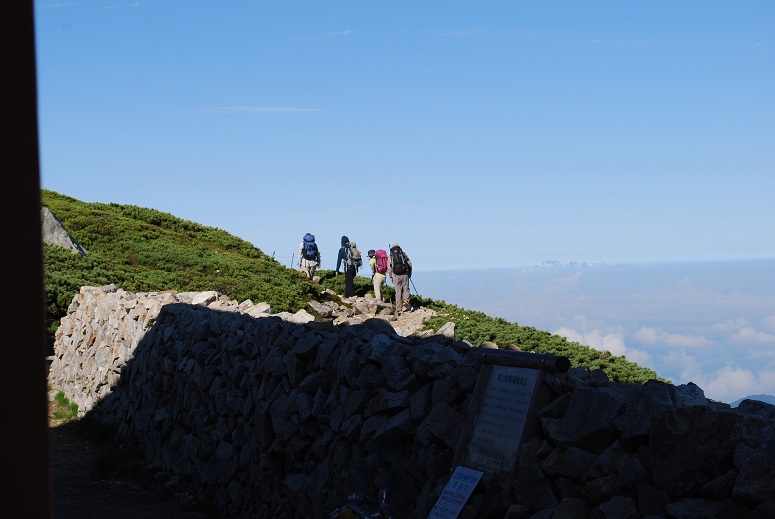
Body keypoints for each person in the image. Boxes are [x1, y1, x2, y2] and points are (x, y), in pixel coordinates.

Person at [388, 242, 412, 316]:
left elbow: (389, 268)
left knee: (397, 291)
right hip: (404, 274)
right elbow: (410, 264)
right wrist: (409, 273)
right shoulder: (403, 254)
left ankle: (398, 308)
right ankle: (406, 304)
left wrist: (391, 276)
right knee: (406, 289)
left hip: (396, 275)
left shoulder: (391, 256)